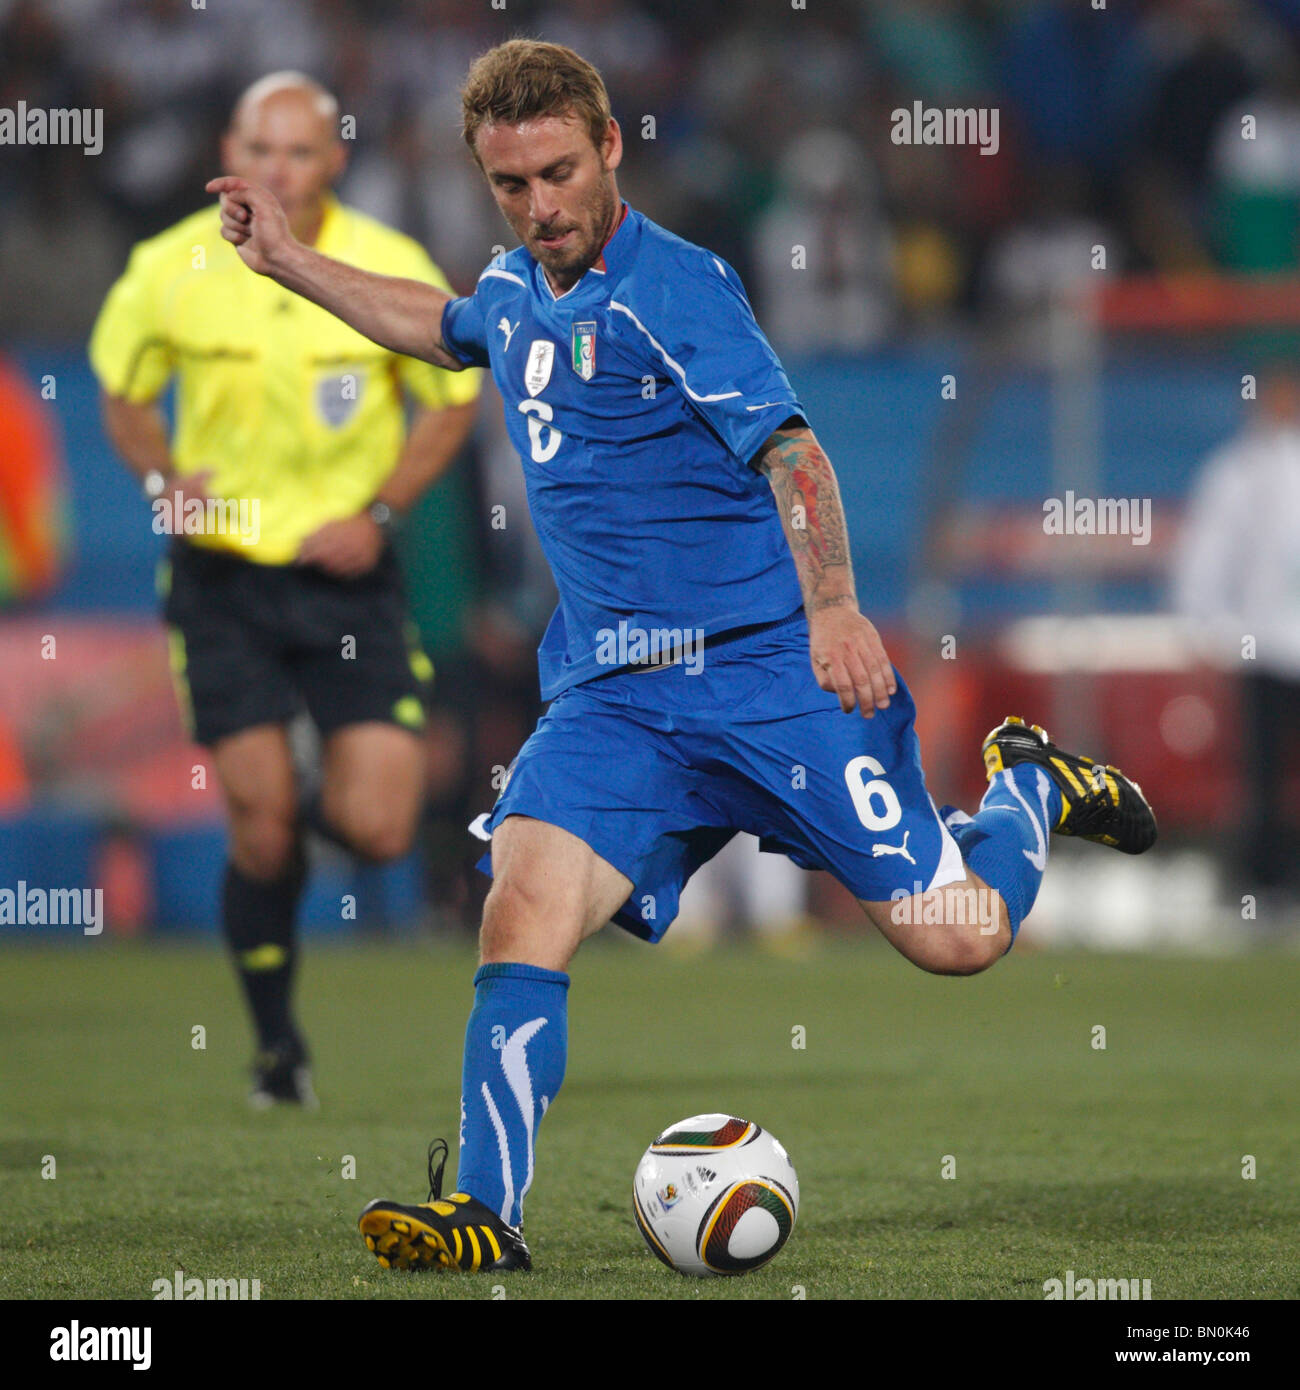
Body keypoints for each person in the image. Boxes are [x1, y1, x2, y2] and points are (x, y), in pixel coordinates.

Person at [208, 40, 1156, 1272]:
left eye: (557, 173)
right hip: (613, 701)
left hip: (773, 674)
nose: (539, 206)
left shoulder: (679, 287)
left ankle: (1027, 786)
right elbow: (436, 326)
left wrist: (833, 610)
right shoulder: (511, 292)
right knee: (523, 910)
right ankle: (485, 1213)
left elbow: (794, 453)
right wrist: (283, 260)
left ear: (609, 149)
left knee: (957, 937)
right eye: (510, 185)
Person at [90, 72, 480, 1107]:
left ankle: (302, 783)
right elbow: (123, 394)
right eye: (259, 148)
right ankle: (277, 1050)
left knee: (382, 829)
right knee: (258, 824)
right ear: (229, 147)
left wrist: (383, 510)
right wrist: (163, 480)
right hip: (222, 577)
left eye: (298, 152)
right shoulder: (166, 266)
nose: (275, 168)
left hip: (347, 581)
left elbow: (450, 397)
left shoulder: (389, 266)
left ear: (334, 159)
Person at [1173, 359, 1300, 903]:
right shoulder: (1237, 471)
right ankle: (1265, 887)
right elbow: (1208, 554)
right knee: (1264, 776)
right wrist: (1207, 624)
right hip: (1266, 645)